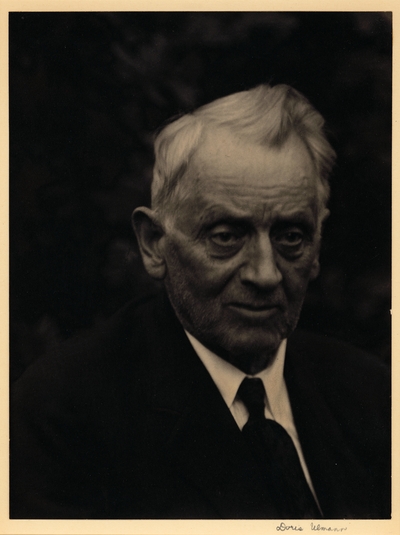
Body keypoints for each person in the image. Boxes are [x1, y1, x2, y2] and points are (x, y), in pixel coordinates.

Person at [10, 84, 390, 519]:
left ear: (318, 244)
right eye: (226, 237)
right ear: (154, 244)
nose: (265, 274)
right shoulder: (60, 417)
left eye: (291, 237)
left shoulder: (373, 395)